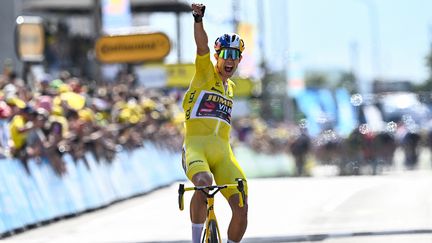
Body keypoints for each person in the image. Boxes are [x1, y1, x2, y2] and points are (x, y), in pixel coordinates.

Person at [181, 3, 248, 243]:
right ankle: (196, 240)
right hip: (196, 148)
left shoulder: (231, 87)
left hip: (223, 155)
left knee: (241, 205)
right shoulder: (205, 73)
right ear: (217, 56)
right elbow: (202, 46)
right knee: (203, 183)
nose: (230, 60)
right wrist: (198, 19)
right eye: (225, 54)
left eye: (235, 56)